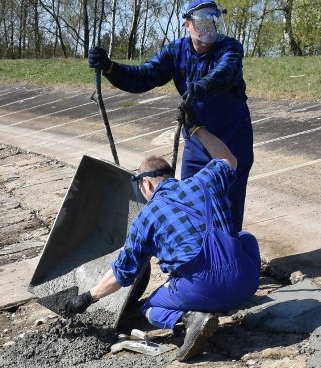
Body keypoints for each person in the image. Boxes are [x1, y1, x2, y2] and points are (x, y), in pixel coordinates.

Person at [63, 113, 260, 361]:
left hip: (203, 288)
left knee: (151, 308)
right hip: (246, 283)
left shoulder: (146, 218)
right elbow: (227, 158)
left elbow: (121, 274)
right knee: (245, 237)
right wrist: (197, 129)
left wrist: (87, 297)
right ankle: (225, 294)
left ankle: (189, 320)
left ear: (147, 184)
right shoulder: (204, 181)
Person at [88, 0, 253, 231]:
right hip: (197, 139)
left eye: (214, 21)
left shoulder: (230, 48)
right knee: (191, 203)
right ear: (187, 24)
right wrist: (110, 68)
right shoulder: (176, 51)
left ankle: (232, 255)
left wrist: (200, 87)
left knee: (229, 205)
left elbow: (224, 73)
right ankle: (194, 258)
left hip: (232, 137)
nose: (210, 28)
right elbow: (144, 76)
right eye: (203, 21)